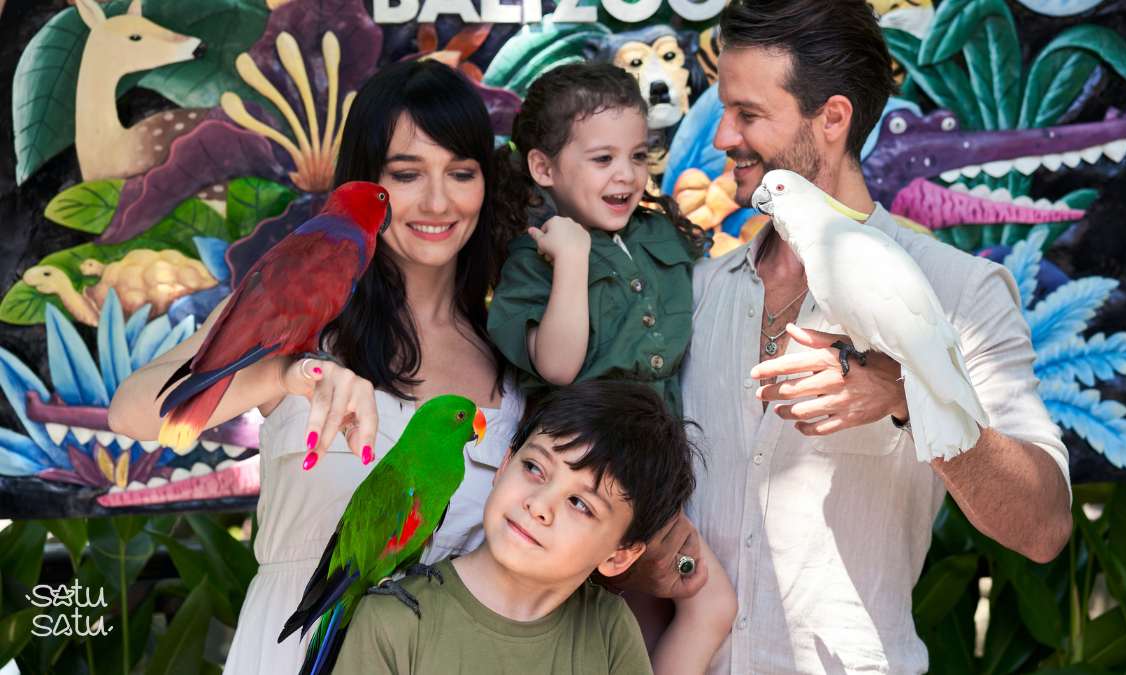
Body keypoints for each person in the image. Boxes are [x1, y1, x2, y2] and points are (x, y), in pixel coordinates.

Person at [663, 0, 1074, 672]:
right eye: (722, 111)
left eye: (748, 115)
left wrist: (906, 393)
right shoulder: (698, 290)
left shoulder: (958, 291)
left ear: (831, 119)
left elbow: (1044, 525)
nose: (721, 140)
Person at [109, 59, 526, 674]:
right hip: (296, 651)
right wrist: (285, 375)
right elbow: (130, 411)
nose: (438, 201)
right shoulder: (297, 304)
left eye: (461, 173)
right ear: (367, 185)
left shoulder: (514, 353)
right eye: (407, 174)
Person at [331, 381, 737, 675]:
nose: (539, 505)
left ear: (619, 555)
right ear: (504, 464)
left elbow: (716, 606)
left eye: (580, 503)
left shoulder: (610, 628)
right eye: (534, 468)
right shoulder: (390, 622)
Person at [487, 62, 708, 418]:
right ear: (543, 168)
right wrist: (572, 259)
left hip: (667, 457)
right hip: (581, 458)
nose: (627, 174)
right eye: (603, 158)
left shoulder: (660, 231)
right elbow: (558, 368)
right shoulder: (529, 262)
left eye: (638, 155)